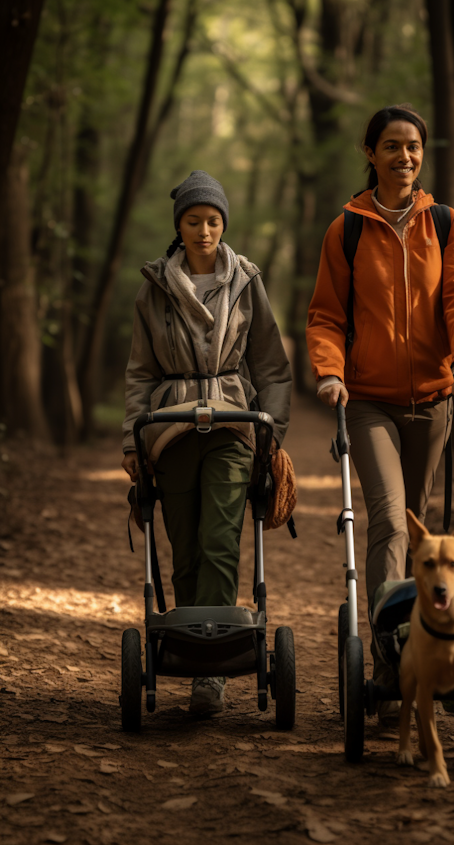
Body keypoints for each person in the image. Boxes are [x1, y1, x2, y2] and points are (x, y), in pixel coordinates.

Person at [306, 105, 454, 724]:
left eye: (413, 147)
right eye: (391, 146)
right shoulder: (347, 230)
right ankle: (388, 660)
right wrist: (329, 370)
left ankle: (427, 650)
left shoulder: (446, 224)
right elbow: (326, 314)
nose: (404, 157)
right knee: (387, 517)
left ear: (422, 155)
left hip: (434, 398)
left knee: (422, 531)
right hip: (370, 401)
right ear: (370, 153)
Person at [121, 170, 292, 715]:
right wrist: (132, 439)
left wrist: (273, 435)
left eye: (213, 221)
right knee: (185, 545)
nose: (203, 230)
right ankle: (192, 647)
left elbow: (271, 365)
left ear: (224, 225)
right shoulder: (154, 288)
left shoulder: (245, 280)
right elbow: (140, 373)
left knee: (220, 536)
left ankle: (211, 667)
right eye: (193, 221)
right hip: (168, 428)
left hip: (233, 425)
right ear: (179, 226)